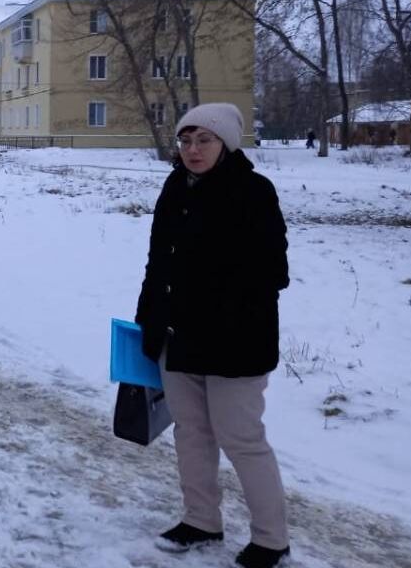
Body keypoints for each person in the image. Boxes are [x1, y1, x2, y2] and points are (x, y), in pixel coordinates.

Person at [134, 103, 291, 568]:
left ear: (226, 143)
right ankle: (201, 521)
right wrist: (149, 319)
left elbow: (273, 273)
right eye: (185, 140)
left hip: (234, 342)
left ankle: (271, 539)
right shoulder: (174, 187)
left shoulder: (253, 192)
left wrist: (211, 293)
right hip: (177, 336)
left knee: (242, 439)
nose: (193, 149)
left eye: (204, 139)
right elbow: (157, 262)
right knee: (192, 434)